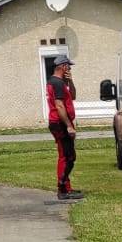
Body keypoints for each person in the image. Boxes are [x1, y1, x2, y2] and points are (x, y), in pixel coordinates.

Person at [47, 55, 84, 201]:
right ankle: (62, 189)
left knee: (68, 156)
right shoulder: (56, 83)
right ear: (63, 66)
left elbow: (73, 96)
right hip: (60, 124)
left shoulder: (60, 83)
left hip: (60, 123)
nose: (69, 69)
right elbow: (59, 106)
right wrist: (68, 126)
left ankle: (66, 187)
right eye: (68, 66)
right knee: (67, 157)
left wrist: (70, 81)